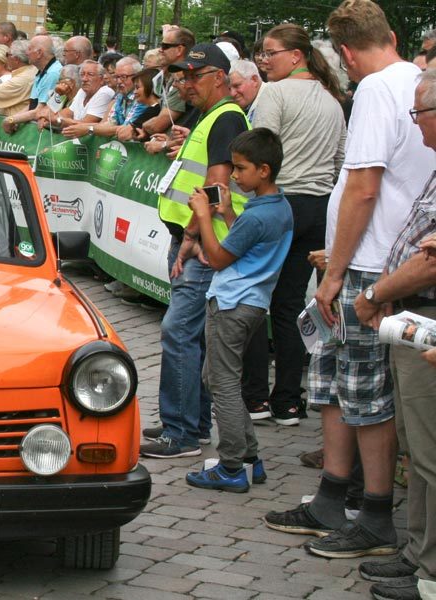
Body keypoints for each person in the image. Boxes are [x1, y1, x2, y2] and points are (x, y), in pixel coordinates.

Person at [265, 0, 435, 563]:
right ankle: (334, 496)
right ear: (388, 33)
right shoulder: (413, 80)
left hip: (370, 263)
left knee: (364, 392)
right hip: (371, 255)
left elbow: (364, 184)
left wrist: (335, 274)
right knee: (337, 384)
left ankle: (376, 511)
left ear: (343, 52)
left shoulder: (377, 91)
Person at [350, 67, 436, 600]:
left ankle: (431, 573)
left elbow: (430, 264)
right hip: (413, 318)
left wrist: (376, 293)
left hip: (422, 315)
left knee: (429, 456)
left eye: (419, 114)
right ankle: (419, 554)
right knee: (419, 452)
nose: (416, 126)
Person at [140, 43, 249, 459]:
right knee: (191, 335)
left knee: (178, 332)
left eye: (193, 76)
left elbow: (216, 187)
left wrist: (191, 236)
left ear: (219, 78)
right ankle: (194, 424)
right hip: (199, 239)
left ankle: (180, 432)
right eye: (182, 76)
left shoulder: (225, 117)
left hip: (203, 243)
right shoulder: (212, 115)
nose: (184, 84)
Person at [241, 22, 347, 427]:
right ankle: (288, 400)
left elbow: (257, 155)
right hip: (318, 207)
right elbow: (340, 161)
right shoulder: (333, 101)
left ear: (295, 56)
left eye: (271, 53)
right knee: (287, 306)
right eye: (262, 53)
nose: (264, 61)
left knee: (253, 298)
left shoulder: (276, 93)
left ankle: (255, 398)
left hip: (279, 203)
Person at [184, 128, 293, 492]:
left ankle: (232, 464)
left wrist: (203, 216)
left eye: (241, 169)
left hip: (231, 304)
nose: (233, 175)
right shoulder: (277, 207)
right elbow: (244, 246)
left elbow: (217, 258)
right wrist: (228, 213)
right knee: (220, 378)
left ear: (264, 170)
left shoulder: (258, 217)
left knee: (223, 383)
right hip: (252, 304)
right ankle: (249, 458)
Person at [56, 60, 115, 136]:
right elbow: (65, 114)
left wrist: (58, 120)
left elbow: (83, 125)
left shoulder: (105, 92)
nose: (84, 79)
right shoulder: (82, 91)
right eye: (82, 75)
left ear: (102, 79)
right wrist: (56, 94)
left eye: (90, 75)